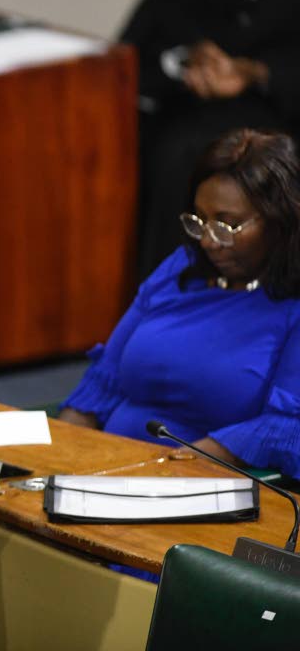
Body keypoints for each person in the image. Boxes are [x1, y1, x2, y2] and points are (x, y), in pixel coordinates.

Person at [60, 128, 300, 478]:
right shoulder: (180, 268)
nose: (208, 241)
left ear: (280, 222)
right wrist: (60, 457)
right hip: (105, 469)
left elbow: (284, 427)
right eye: (200, 220)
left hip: (195, 485)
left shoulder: (292, 306)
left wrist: (156, 473)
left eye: (227, 225)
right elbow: (103, 381)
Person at [123, 0, 300, 278]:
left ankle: (182, 302)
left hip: (282, 106)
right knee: (113, 135)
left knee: (190, 156)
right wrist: (193, 58)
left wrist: (256, 74)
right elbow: (161, 12)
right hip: (196, 99)